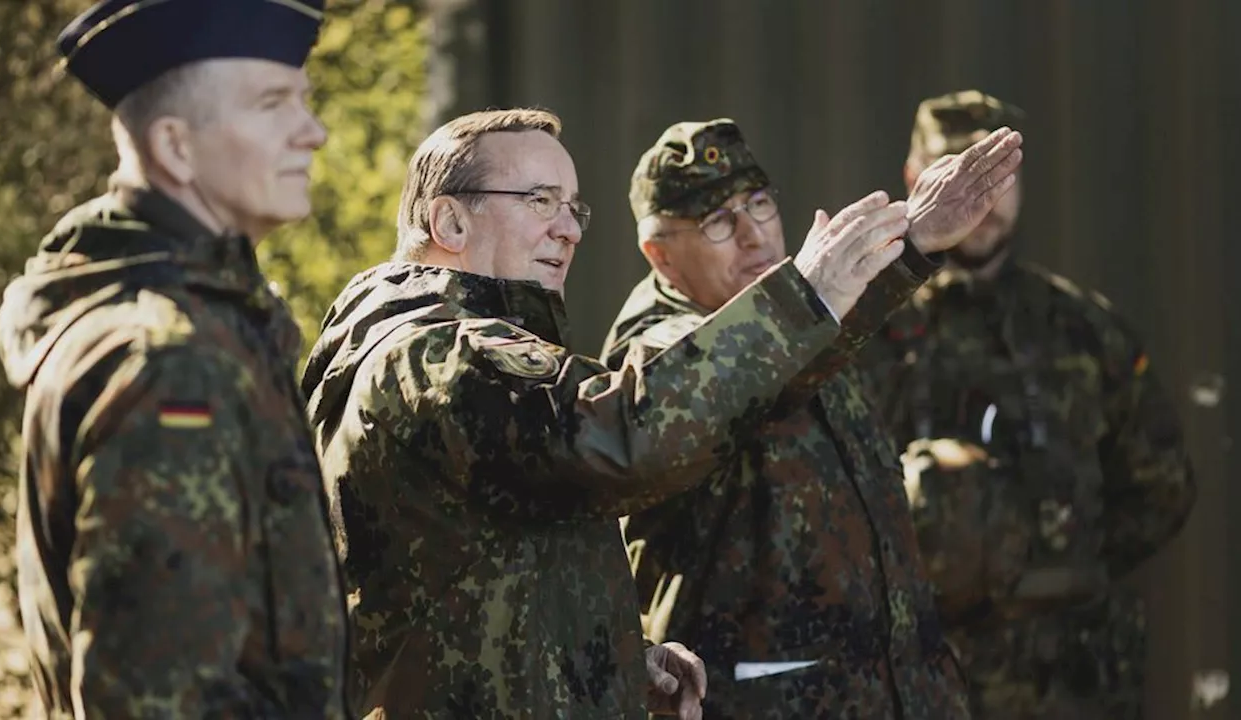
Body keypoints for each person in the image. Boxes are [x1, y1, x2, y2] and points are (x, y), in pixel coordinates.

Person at [297, 106, 961, 718]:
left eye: (572, 206)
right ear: (450, 223)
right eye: (538, 201)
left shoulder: (432, 345)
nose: (567, 227)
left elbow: (479, 579)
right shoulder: (442, 353)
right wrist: (804, 297)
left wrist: (613, 662)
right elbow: (625, 437)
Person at [600, 118, 1022, 718]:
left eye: (759, 205)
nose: (753, 236)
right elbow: (741, 373)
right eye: (718, 222)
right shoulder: (656, 348)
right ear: (660, 255)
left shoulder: (803, 322)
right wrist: (906, 254)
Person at [0, 1, 348, 715]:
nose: (312, 133)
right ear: (175, 148)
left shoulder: (193, 321)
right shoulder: (173, 361)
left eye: (304, 103)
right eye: (274, 104)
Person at [862, 89, 1197, 719]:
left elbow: (1162, 487)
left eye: (999, 175)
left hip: (1066, 683)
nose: (981, 199)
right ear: (915, 179)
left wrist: (1057, 566)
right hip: (916, 676)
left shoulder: (1083, 330)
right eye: (958, 171)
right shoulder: (864, 333)